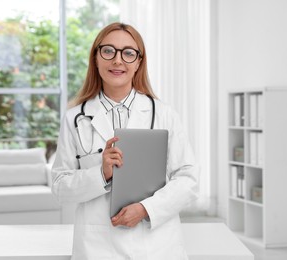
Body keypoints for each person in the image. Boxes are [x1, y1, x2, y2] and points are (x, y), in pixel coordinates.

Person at [51, 22, 198, 260]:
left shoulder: (163, 114)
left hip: (156, 246)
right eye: (108, 51)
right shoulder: (74, 118)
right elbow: (60, 187)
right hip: (97, 246)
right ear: (96, 58)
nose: (118, 60)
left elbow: (188, 180)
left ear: (139, 61)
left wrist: (145, 209)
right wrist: (101, 174)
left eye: (128, 53)